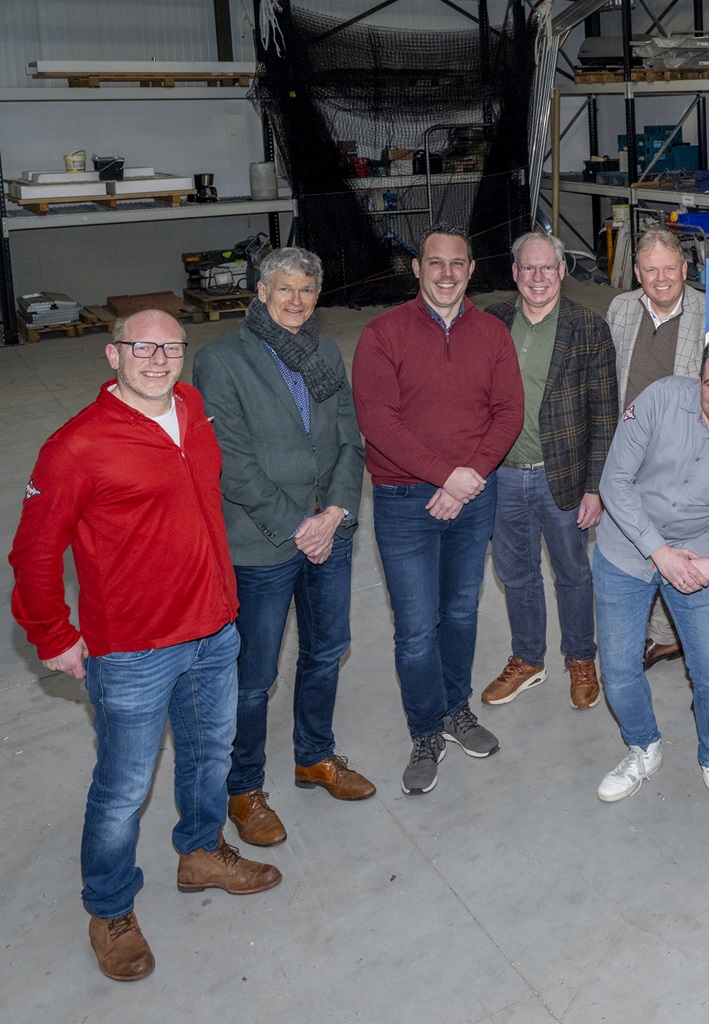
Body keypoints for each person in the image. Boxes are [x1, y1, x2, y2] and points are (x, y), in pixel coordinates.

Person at [10, 310, 282, 982]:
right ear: (113, 355)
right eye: (142, 347)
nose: (157, 359)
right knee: (123, 787)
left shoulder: (191, 409)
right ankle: (109, 908)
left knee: (208, 756)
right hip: (133, 648)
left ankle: (201, 852)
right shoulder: (76, 446)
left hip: (213, 628)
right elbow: (34, 553)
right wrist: (54, 634)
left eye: (170, 347)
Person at [192, 247, 375, 849]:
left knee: (326, 652)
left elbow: (349, 441)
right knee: (254, 676)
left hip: (329, 531)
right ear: (262, 292)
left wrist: (334, 513)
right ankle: (243, 787)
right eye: (285, 289)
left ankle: (314, 757)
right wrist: (300, 526)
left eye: (307, 290)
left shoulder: (326, 353)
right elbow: (232, 464)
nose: (296, 300)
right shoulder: (221, 361)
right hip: (262, 543)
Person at [352, 223, 525, 795]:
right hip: (404, 501)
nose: (446, 273)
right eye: (435, 263)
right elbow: (378, 421)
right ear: (417, 269)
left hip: (473, 496)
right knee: (415, 628)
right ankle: (425, 730)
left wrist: (467, 477)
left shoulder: (493, 334)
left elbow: (509, 411)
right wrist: (445, 475)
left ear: (471, 270)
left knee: (461, 612)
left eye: (457, 263)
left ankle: (455, 709)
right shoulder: (382, 334)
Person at [592, 336, 709, 820]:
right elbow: (615, 481)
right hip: (625, 549)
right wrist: (660, 553)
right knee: (618, 670)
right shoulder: (659, 399)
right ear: (698, 380)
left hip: (699, 560)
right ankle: (643, 747)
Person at [479, 232, 617, 711]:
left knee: (572, 572)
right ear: (514, 273)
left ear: (562, 271)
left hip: (563, 475)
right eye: (528, 268)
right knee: (515, 573)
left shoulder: (588, 327)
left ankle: (580, 657)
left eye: (547, 268)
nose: (538, 277)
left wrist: (596, 487)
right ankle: (527, 659)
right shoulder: (492, 321)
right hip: (502, 475)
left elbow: (605, 415)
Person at [604, 228, 706, 672]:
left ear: (685, 268)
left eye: (669, 268)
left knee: (681, 545)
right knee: (632, 542)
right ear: (637, 272)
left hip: (682, 453)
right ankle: (651, 633)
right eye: (651, 270)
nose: (661, 279)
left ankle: (670, 637)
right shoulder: (621, 308)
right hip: (629, 449)